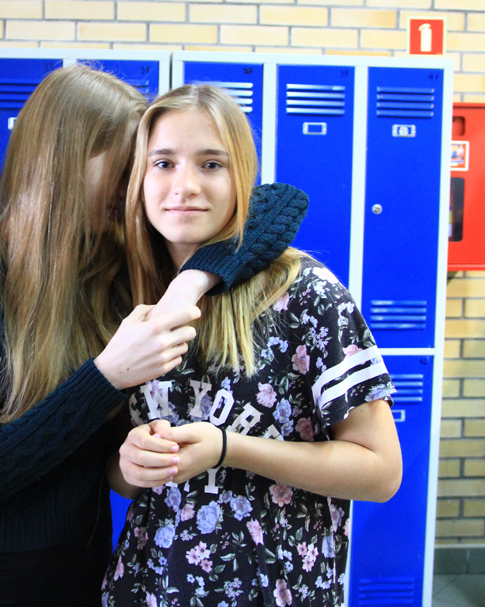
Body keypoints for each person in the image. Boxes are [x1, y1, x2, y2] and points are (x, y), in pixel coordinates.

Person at [0, 65, 308, 606]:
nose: (135, 187)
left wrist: (191, 281)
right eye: (125, 168)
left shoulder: (115, 265)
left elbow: (278, 203)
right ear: (62, 161)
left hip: (83, 564)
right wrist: (106, 377)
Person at [103, 84, 402, 607]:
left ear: (240, 177)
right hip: (151, 587)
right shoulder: (125, 302)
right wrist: (128, 466)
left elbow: (380, 472)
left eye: (211, 164)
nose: (185, 185)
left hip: (276, 589)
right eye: (163, 163)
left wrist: (228, 448)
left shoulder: (306, 295)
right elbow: (117, 474)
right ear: (139, 179)